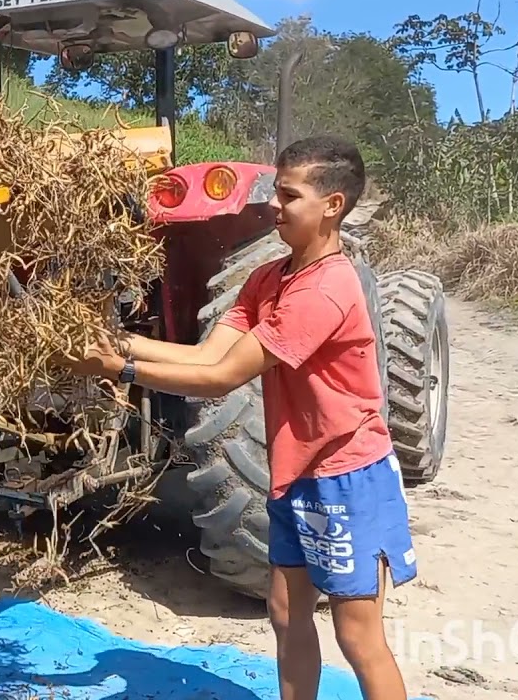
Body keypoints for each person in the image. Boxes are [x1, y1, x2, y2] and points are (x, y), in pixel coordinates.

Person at [67, 135, 413, 700]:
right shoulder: (268, 277)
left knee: (358, 634)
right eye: (276, 191)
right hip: (294, 469)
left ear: (333, 206)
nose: (274, 205)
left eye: (289, 194)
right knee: (285, 611)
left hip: (346, 477)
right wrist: (118, 342)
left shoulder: (327, 289)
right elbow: (206, 353)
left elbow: (223, 378)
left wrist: (119, 369)